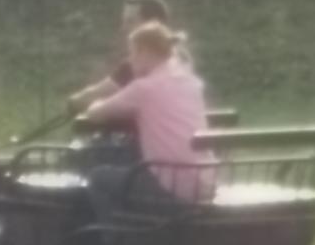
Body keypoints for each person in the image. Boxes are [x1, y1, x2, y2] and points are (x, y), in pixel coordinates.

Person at [74, 21, 216, 208]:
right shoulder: (191, 82)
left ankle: (115, 236)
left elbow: (97, 113)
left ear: (145, 51)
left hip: (172, 185)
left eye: (132, 52)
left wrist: (91, 104)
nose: (130, 60)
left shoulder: (144, 88)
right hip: (204, 182)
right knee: (133, 168)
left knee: (98, 178)